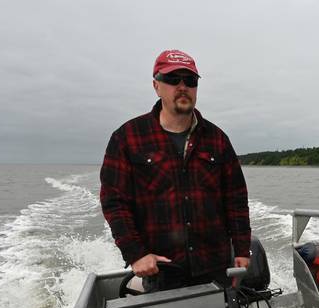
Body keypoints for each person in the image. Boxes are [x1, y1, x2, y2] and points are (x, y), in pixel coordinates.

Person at [100, 49, 251, 288]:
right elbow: (114, 203)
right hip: (161, 269)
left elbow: (236, 200)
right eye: (172, 79)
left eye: (190, 81)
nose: (182, 86)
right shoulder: (127, 138)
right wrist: (135, 253)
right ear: (156, 85)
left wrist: (242, 249)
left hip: (214, 267)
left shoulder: (217, 139)